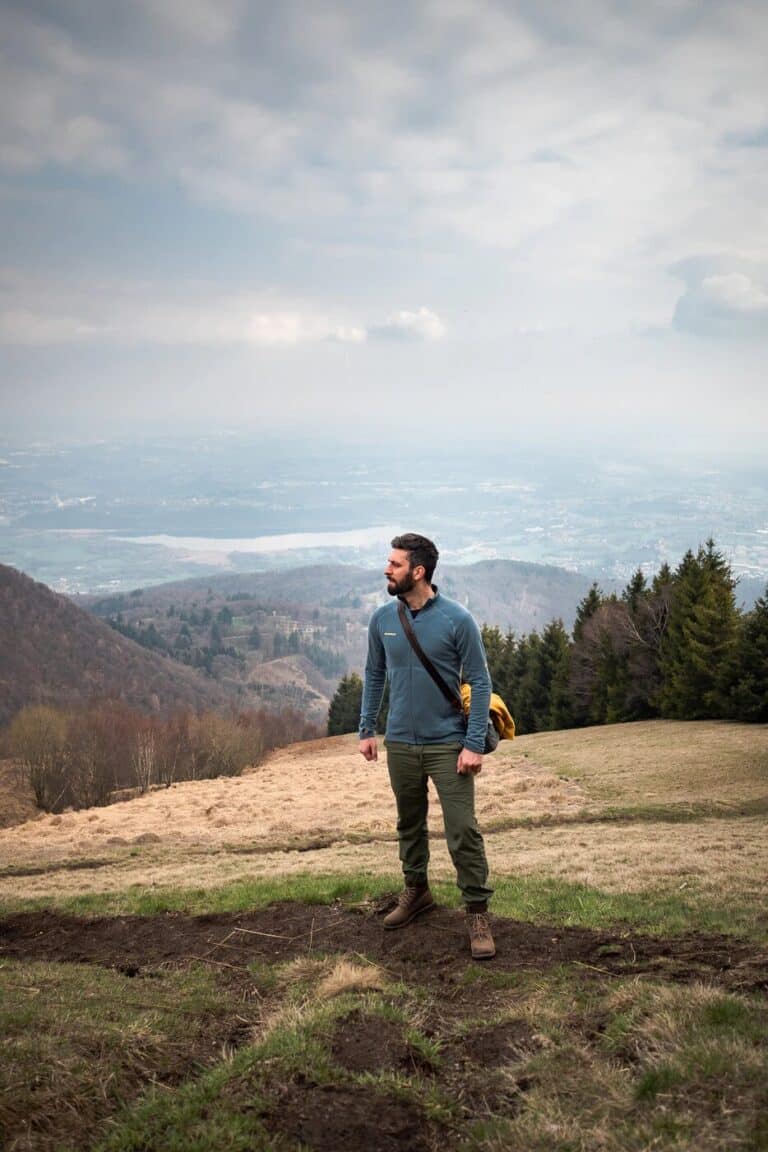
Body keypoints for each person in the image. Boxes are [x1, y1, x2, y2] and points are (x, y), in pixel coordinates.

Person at [358, 532, 496, 960]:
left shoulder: (458, 620)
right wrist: (367, 729)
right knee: (408, 823)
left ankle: (477, 912)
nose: (387, 569)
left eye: (395, 564)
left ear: (418, 572)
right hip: (400, 742)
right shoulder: (383, 619)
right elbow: (374, 675)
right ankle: (416, 892)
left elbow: (481, 681)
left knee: (462, 831)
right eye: (389, 562)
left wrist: (473, 743)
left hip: (447, 744)